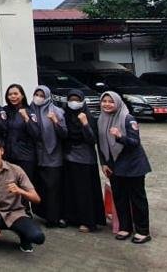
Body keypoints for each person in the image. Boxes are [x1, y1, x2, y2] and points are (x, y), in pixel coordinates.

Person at [0, 137, 46, 253]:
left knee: (38, 237)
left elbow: (36, 199)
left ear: (2, 151)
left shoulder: (16, 170)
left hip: (16, 214)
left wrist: (20, 191)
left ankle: (24, 237)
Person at [98, 91, 153, 244]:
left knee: (137, 199)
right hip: (114, 166)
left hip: (133, 166)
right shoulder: (101, 119)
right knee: (120, 198)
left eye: (111, 101)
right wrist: (103, 163)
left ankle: (143, 231)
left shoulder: (128, 119)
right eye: (104, 101)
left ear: (117, 103)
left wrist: (119, 137)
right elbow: (100, 144)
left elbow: (135, 142)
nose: (107, 104)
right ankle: (125, 227)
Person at [62, 89, 105, 232]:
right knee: (70, 190)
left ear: (82, 101)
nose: (73, 102)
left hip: (85, 159)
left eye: (77, 100)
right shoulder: (65, 115)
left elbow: (92, 140)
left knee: (85, 191)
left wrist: (85, 124)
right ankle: (72, 218)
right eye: (71, 100)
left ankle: (88, 221)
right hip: (68, 157)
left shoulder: (89, 117)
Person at [30, 85, 67, 228]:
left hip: (53, 156)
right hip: (36, 156)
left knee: (53, 188)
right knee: (41, 187)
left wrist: (55, 121)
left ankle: (55, 217)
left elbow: (64, 133)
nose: (39, 98)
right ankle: (44, 215)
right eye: (37, 94)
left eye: (42, 95)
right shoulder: (30, 110)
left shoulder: (56, 111)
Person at [0, 84, 38, 181]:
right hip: (9, 156)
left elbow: (35, 133)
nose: (12, 96)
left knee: (25, 184)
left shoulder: (30, 111)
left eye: (15, 94)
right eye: (10, 94)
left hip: (25, 157)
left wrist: (26, 118)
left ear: (22, 95)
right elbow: (2, 129)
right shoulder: (5, 110)